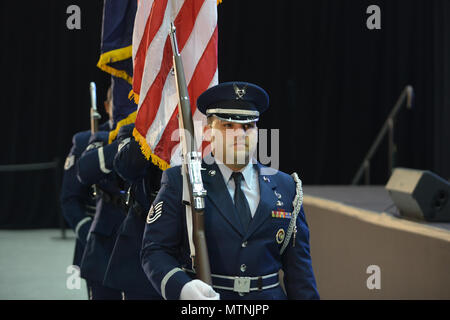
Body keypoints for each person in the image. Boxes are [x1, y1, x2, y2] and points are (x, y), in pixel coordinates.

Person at [141, 81, 320, 300]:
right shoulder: (182, 181)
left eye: (248, 126)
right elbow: (154, 251)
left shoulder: (285, 186)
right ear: (208, 132)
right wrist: (182, 289)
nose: (240, 134)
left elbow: (299, 270)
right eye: (228, 126)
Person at [102, 123, 163, 300]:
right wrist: (156, 124)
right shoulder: (132, 130)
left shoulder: (200, 126)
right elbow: (127, 167)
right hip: (143, 236)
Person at [76, 87, 125, 300]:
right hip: (105, 239)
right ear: (107, 106)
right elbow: (71, 196)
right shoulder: (95, 138)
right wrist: (86, 232)